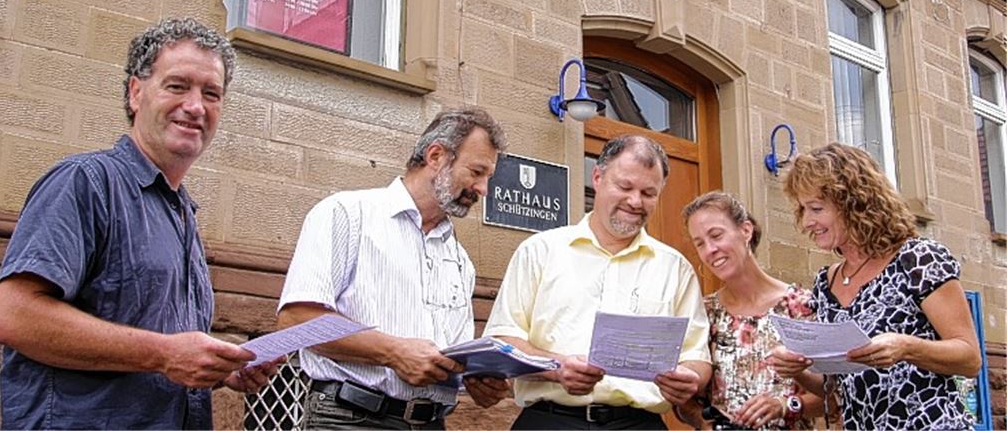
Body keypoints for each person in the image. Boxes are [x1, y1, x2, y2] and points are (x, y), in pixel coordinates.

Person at [0, 18, 278, 429]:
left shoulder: (180, 214)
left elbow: (161, 353)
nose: (196, 106)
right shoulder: (85, 182)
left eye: (211, 93)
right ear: (135, 92)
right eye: (177, 86)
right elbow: (12, 316)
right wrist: (165, 353)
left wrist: (218, 368)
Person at [277, 107, 511, 430]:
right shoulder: (346, 214)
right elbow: (296, 321)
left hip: (432, 422)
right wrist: (393, 352)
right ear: (436, 156)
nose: (484, 189)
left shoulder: (461, 260)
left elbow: (449, 355)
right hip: (351, 419)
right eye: (476, 172)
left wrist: (476, 380)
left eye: (488, 177)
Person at [484, 134, 712, 430]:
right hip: (550, 420)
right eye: (625, 186)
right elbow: (502, 340)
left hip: (639, 423)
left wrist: (689, 378)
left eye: (648, 193)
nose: (635, 201)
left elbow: (697, 357)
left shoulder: (676, 268)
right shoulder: (540, 250)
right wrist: (557, 368)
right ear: (598, 177)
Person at [770, 142, 982, 429]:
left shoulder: (917, 259)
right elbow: (837, 388)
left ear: (854, 202)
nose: (807, 221)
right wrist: (798, 371)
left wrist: (906, 347)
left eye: (817, 208)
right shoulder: (825, 283)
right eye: (803, 209)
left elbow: (970, 358)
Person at [679, 191, 821, 430]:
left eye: (716, 235)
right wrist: (700, 419)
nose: (710, 249)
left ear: (746, 230)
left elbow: (834, 393)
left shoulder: (802, 306)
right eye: (700, 243)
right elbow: (685, 401)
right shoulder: (703, 313)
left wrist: (785, 406)